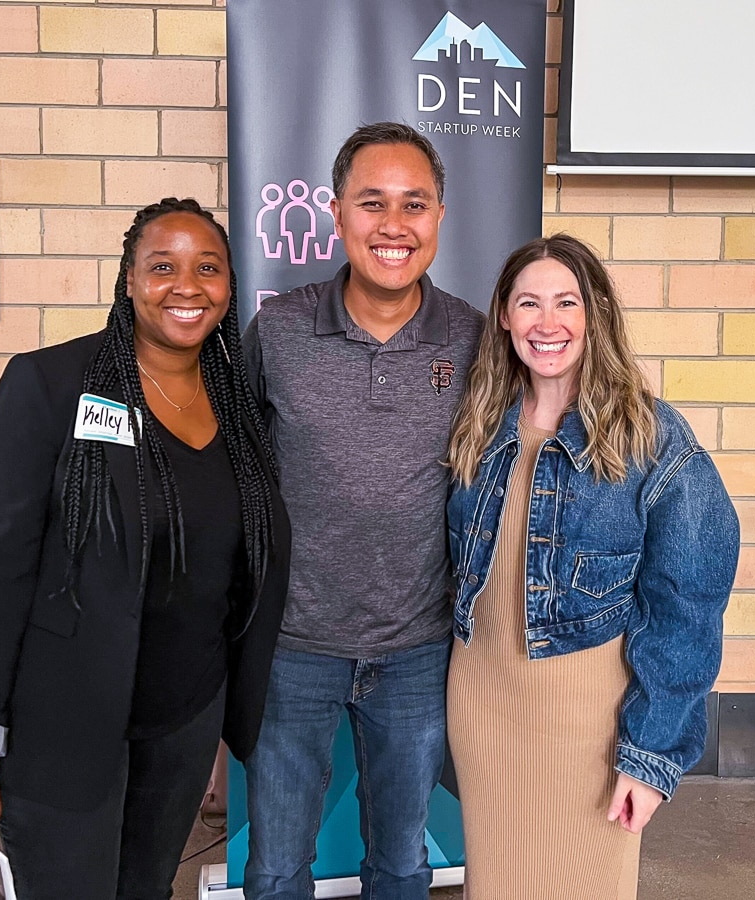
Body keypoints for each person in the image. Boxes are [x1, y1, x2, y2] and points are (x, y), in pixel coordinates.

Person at [0, 198, 290, 899]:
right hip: (62, 723)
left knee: (147, 889)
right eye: (163, 266)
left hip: (183, 722)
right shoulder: (50, 384)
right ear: (129, 279)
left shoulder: (236, 401)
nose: (187, 286)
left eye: (207, 268)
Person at [445, 233, 740, 899]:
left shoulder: (652, 438)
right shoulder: (479, 424)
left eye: (566, 302)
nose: (546, 322)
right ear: (504, 316)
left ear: (595, 314)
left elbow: (688, 609)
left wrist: (650, 753)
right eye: (529, 303)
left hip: (588, 724)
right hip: (481, 706)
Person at [241, 122, 484, 898]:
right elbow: (236, 471)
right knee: (276, 867)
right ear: (337, 213)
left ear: (440, 216)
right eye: (372, 202)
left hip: (418, 649)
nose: (394, 224)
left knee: (403, 862)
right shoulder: (280, 331)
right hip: (292, 648)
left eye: (414, 203)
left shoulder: (474, 339)